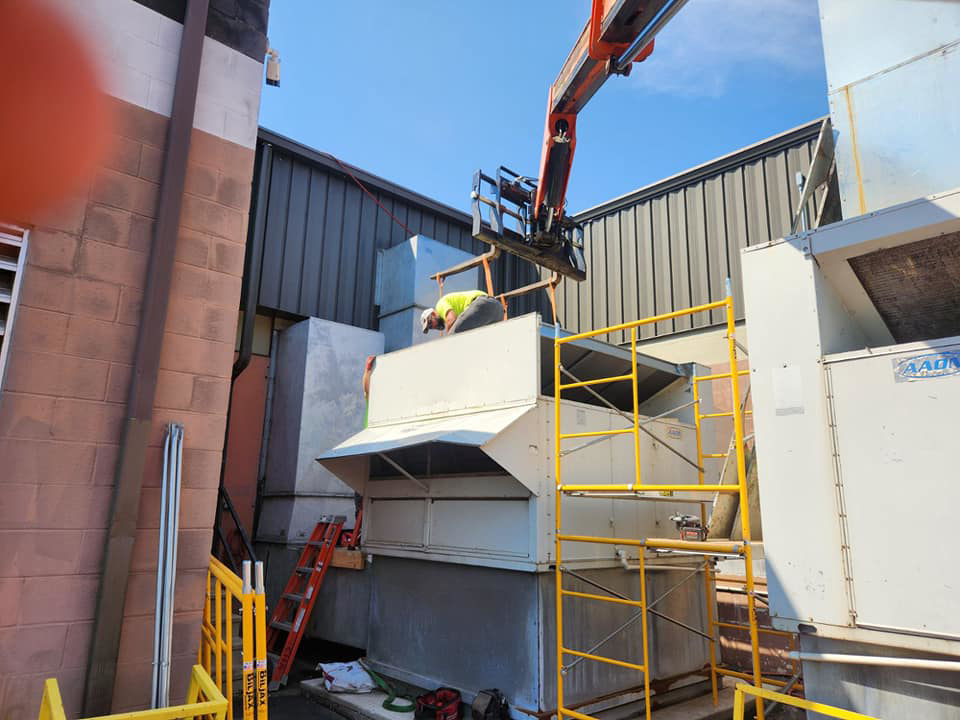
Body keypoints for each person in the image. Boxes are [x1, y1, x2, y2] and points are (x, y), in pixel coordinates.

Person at [420, 290, 503, 336]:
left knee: (451, 337)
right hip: (498, 311)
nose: (433, 326)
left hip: (483, 304)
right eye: (430, 327)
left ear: (434, 314)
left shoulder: (439, 305)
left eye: (430, 323)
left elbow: (451, 319)